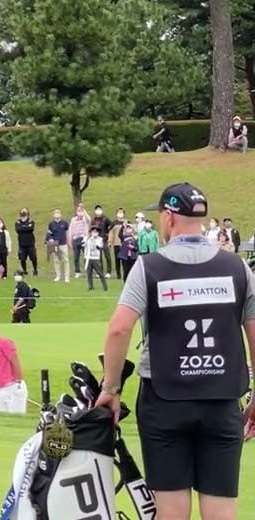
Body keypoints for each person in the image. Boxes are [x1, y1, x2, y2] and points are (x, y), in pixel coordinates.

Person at [94, 182, 255, 520]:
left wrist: (111, 387)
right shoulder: (238, 268)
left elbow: (119, 328)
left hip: (164, 400)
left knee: (171, 511)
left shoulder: (148, 267)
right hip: (222, 399)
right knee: (222, 509)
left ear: (168, 218)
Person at [15, 208, 38, 276]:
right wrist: (26, 227)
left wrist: (23, 228)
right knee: (22, 258)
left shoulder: (31, 221)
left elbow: (31, 229)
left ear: (28, 213)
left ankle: (35, 270)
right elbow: (18, 229)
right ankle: (24, 271)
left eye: (25, 211)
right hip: (22, 244)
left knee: (33, 257)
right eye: (22, 211)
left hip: (30, 243)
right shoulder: (18, 222)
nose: (23, 212)